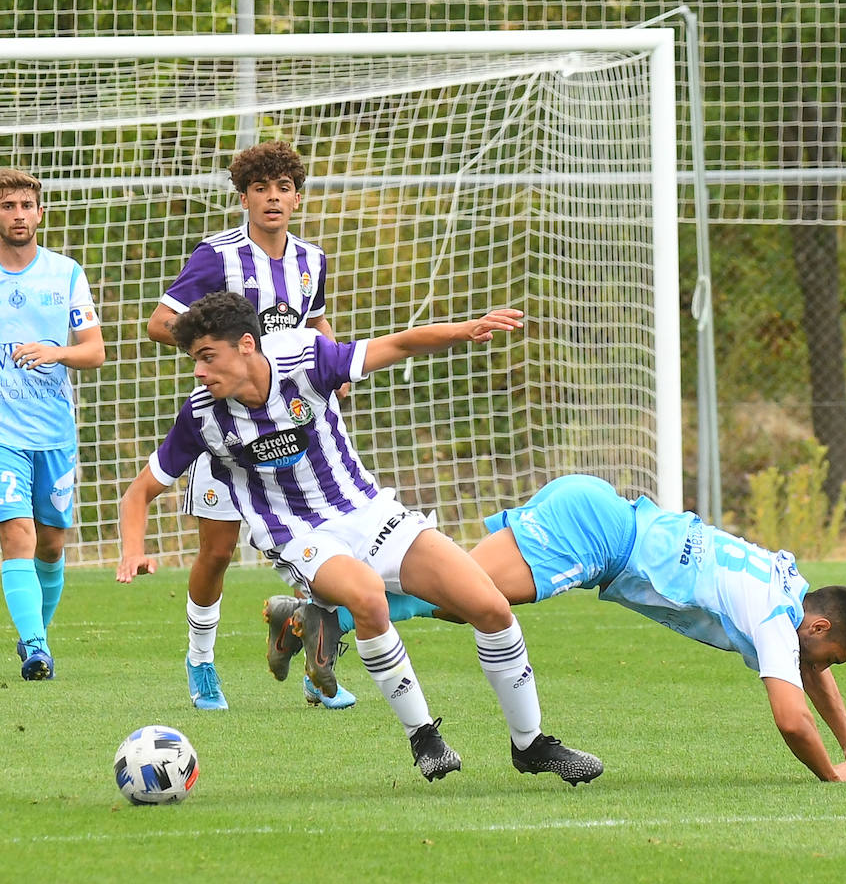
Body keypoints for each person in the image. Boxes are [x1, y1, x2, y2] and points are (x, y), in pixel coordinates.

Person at [117, 291, 603, 785]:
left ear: (246, 345)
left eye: (206, 357)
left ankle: (532, 744)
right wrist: (133, 549)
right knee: (368, 597)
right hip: (299, 535)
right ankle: (423, 736)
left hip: (369, 512)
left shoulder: (307, 358)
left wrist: (466, 329)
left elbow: (400, 346)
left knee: (490, 606)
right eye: (193, 361)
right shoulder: (201, 415)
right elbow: (139, 491)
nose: (198, 372)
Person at [274, 474, 846, 783]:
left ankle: (322, 618)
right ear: (819, 623)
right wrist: (830, 772)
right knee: (475, 603)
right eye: (836, 655)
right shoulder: (777, 617)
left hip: (600, 514)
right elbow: (791, 717)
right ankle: (328, 612)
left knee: (466, 597)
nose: (826, 668)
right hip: (599, 537)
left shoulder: (789, 586)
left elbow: (807, 670)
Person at [147, 140, 346, 711]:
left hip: (292, 421)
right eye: (261, 189)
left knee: (319, 541)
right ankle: (201, 660)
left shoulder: (312, 260)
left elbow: (315, 320)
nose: (273, 198)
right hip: (226, 427)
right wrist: (221, 353)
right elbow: (160, 322)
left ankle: (317, 662)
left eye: (283, 188)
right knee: (218, 551)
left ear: (298, 197)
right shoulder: (217, 256)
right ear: (244, 198)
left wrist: (331, 360)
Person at [0, 169, 106, 681]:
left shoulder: (67, 274)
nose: (17, 214)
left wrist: (56, 352)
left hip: (53, 427)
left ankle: (37, 635)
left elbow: (95, 351)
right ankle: (36, 647)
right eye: (7, 206)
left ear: (39, 213)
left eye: (25, 205)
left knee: (52, 542)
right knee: (17, 533)